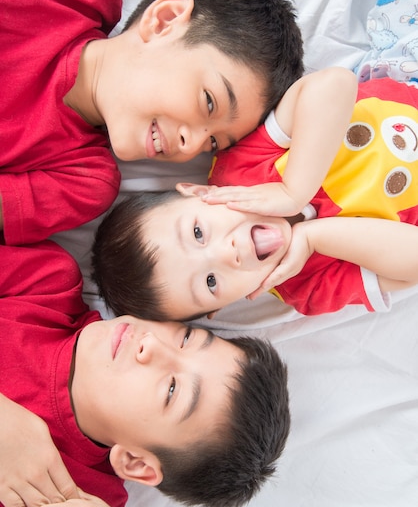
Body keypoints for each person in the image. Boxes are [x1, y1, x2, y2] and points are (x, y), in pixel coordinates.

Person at [0, 0, 304, 246]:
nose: (191, 145)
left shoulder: (82, 180)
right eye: (209, 102)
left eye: (212, 142)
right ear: (165, 20)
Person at [0, 239, 290, 507]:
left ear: (136, 463)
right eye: (186, 337)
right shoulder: (45, 283)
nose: (151, 344)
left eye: (171, 389)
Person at [91, 72, 418, 321]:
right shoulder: (304, 287)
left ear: (202, 193)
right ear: (220, 308)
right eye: (210, 283)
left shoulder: (240, 169)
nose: (226, 254)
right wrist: (313, 238)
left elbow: (335, 83)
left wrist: (294, 192)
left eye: (198, 233)